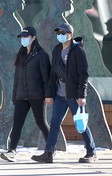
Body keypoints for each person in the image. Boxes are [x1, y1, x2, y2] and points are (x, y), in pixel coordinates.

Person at [31, 23, 97, 163]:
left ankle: (91, 152)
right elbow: (52, 74)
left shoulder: (77, 51)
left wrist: (82, 95)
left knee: (80, 124)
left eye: (63, 32)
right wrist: (49, 94)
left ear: (70, 35)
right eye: (58, 33)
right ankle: (49, 153)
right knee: (54, 123)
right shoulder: (56, 50)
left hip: (74, 95)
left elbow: (84, 74)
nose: (60, 35)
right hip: (60, 95)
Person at [0, 26, 50, 162]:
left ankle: (51, 149)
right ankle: (12, 151)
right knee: (17, 124)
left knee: (41, 122)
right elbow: (17, 77)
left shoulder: (42, 55)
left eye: (26, 37)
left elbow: (46, 77)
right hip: (22, 96)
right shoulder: (21, 54)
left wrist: (48, 95)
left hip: (37, 96)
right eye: (22, 37)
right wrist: (15, 95)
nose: (23, 40)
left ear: (33, 38)